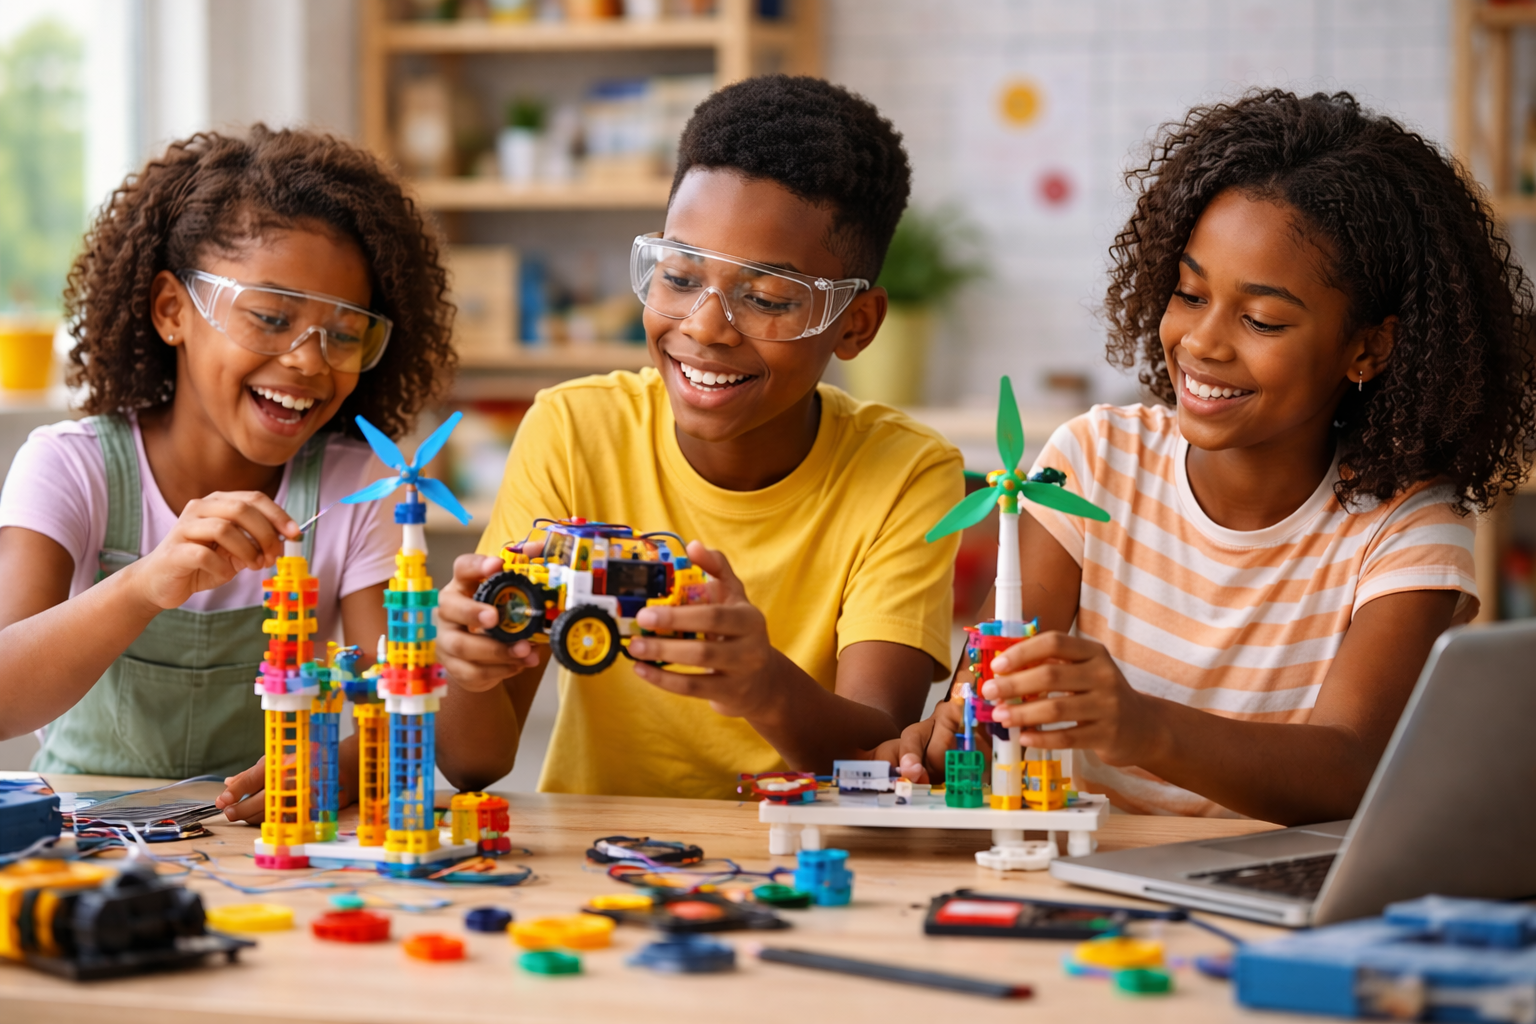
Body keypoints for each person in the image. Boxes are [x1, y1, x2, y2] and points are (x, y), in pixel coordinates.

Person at [883, 90, 1536, 825]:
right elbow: (983, 714)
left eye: (1260, 319)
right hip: (1087, 882)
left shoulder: (1405, 525)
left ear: (1367, 347)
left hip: (1273, 891)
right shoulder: (1093, 463)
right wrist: (943, 736)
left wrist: (1143, 725)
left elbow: (1351, 766)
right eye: (1190, 294)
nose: (1203, 342)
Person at [435, 75, 963, 800]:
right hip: (602, 866)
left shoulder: (906, 472)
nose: (705, 329)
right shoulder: (573, 429)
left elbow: (880, 752)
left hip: (806, 859)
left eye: (768, 298)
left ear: (856, 325)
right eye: (679, 275)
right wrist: (471, 666)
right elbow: (472, 764)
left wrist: (762, 684)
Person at [0, 126, 456, 824]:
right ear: (172, 311)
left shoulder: (358, 489)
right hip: (79, 842)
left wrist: (333, 769)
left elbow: (398, 709)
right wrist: (146, 583)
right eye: (271, 318)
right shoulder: (70, 467)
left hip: (268, 852)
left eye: (343, 334)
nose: (308, 361)